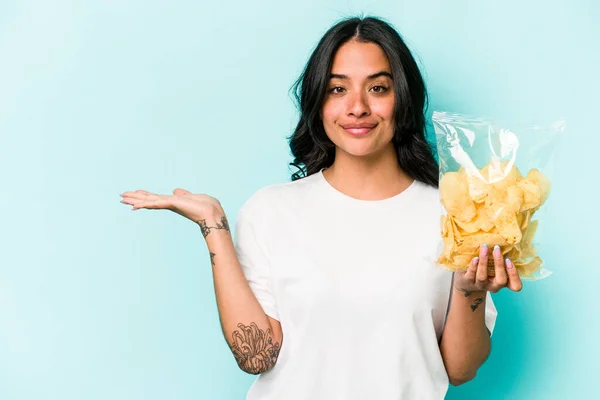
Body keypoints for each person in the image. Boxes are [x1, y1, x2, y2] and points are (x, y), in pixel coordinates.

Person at [120, 16, 523, 400]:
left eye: (378, 88)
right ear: (318, 102)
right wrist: (214, 226)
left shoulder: (455, 215)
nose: (358, 107)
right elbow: (255, 356)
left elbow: (459, 369)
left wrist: (469, 290)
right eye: (337, 89)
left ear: (404, 99)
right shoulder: (271, 211)